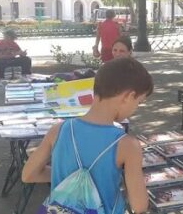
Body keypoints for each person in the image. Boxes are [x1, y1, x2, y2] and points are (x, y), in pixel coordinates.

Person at [22, 57, 153, 214]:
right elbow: (139, 206)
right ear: (128, 96)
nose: (136, 108)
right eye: (138, 102)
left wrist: (68, 176)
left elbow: (28, 175)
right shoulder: (127, 145)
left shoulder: (58, 130)